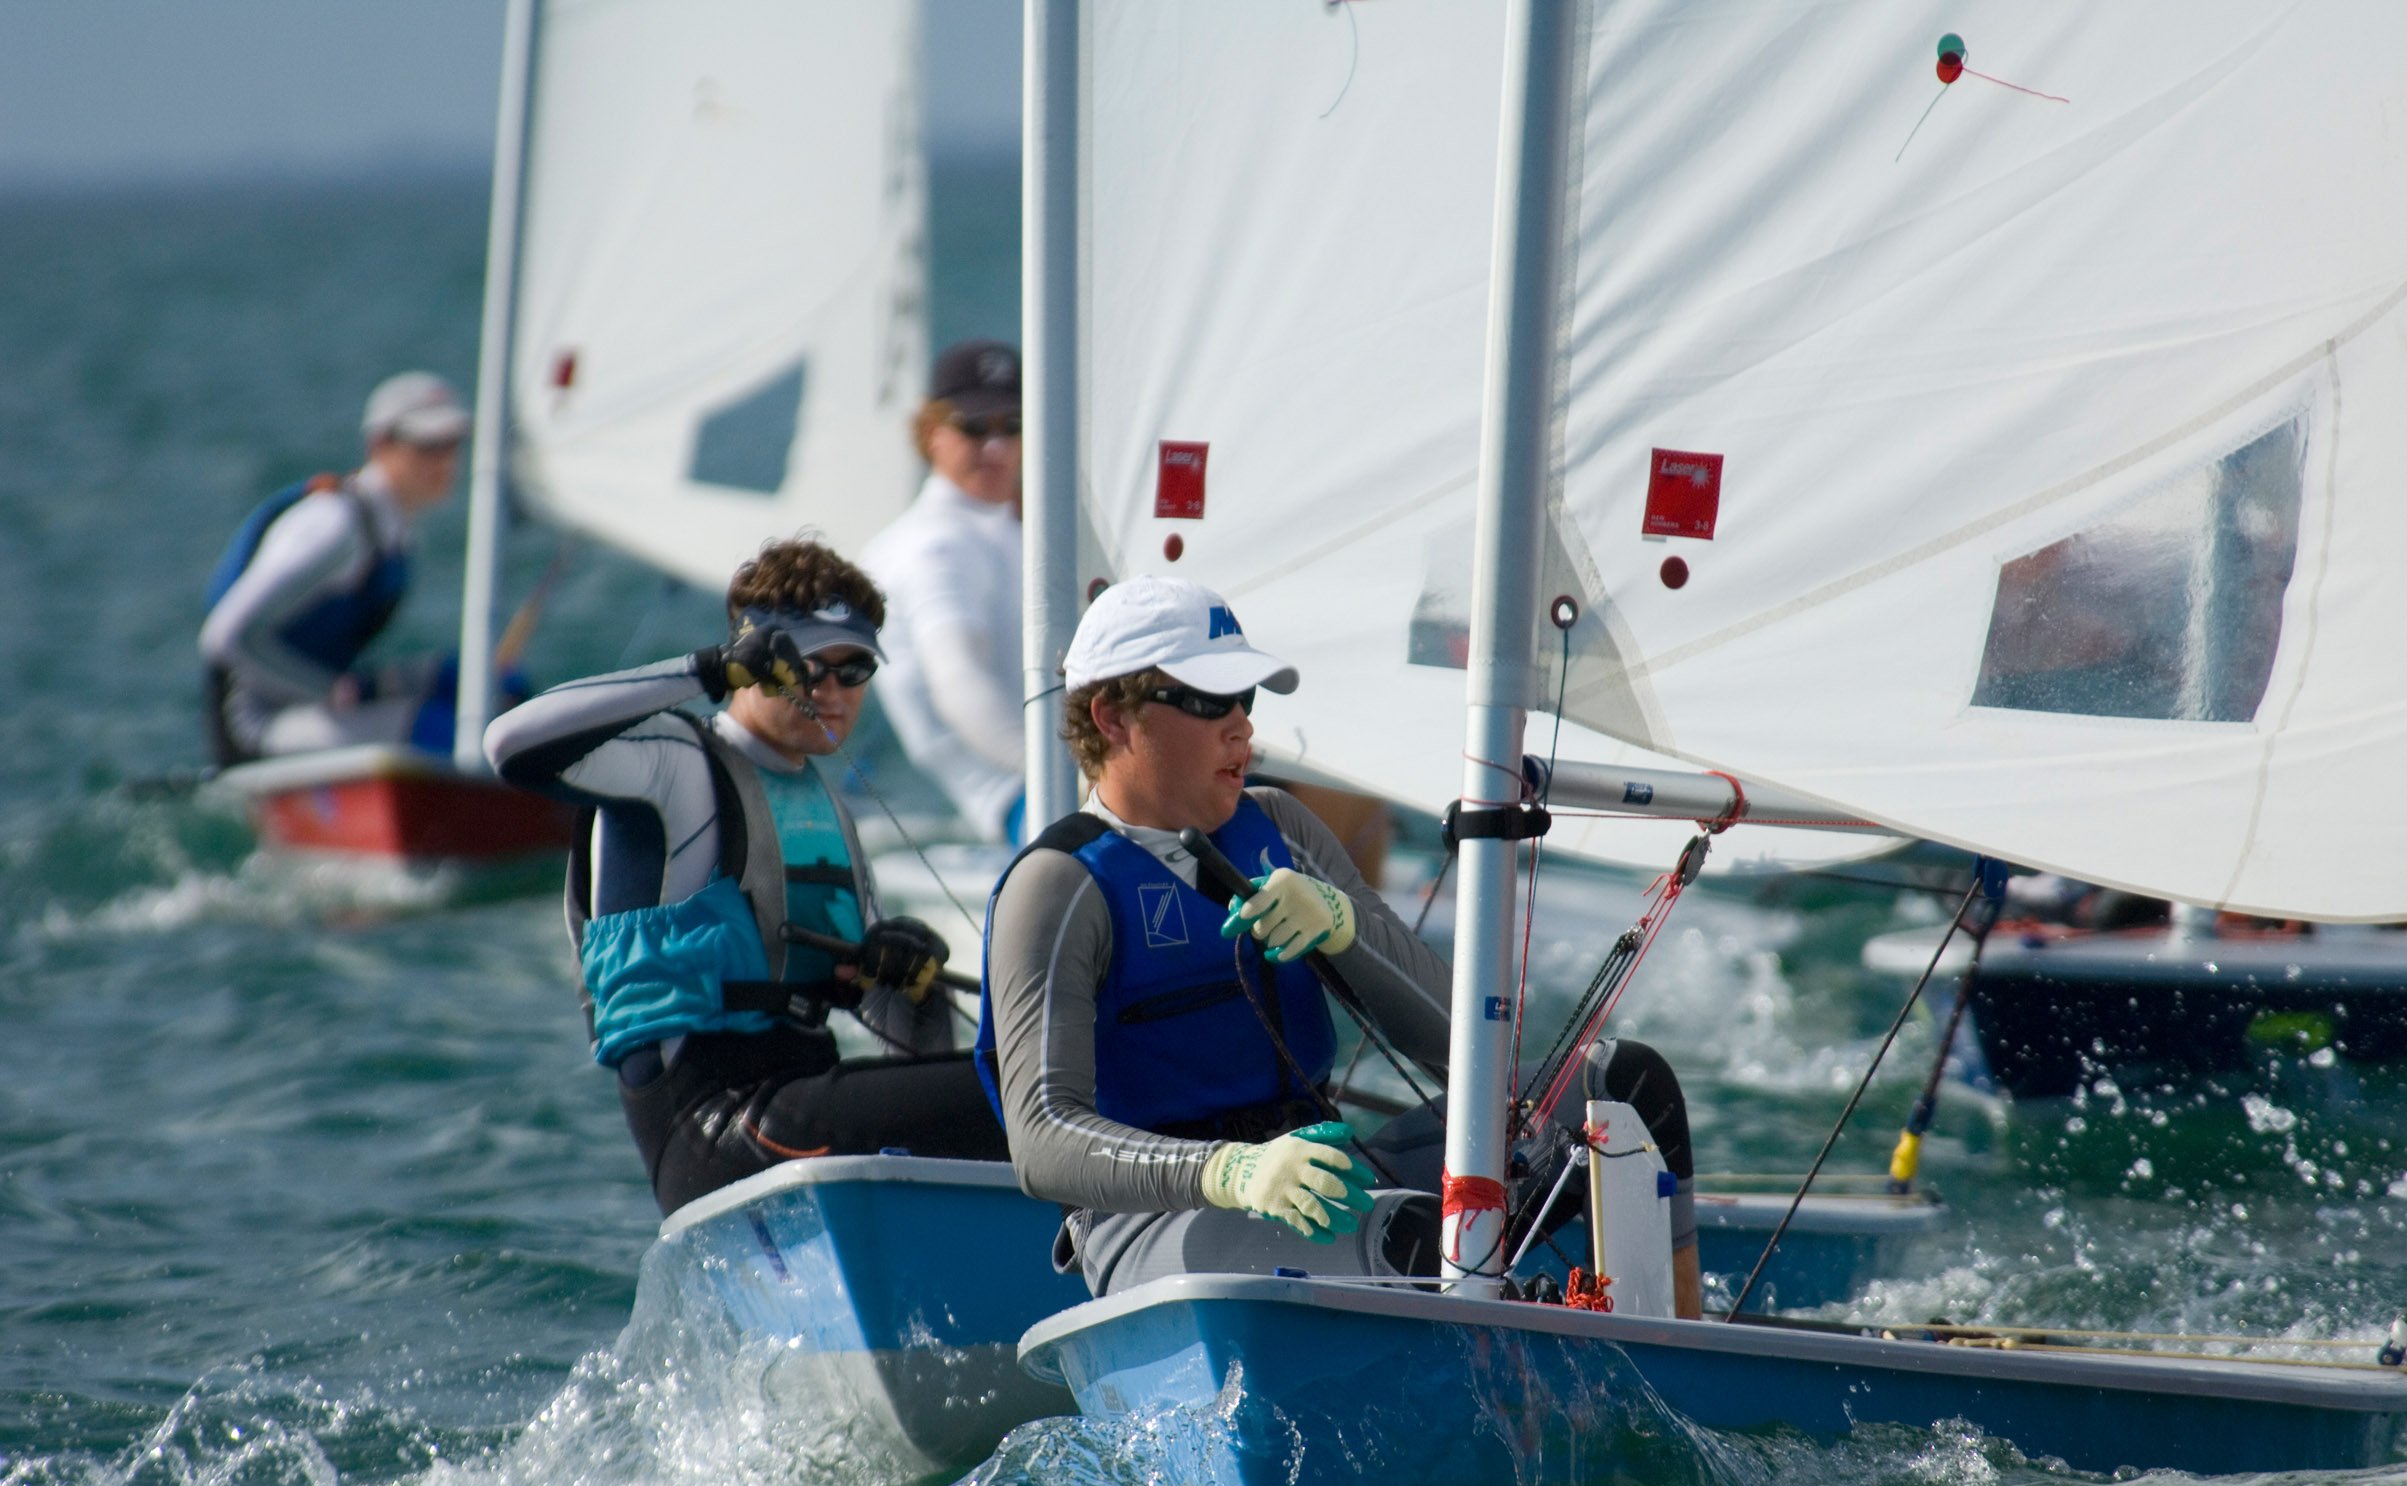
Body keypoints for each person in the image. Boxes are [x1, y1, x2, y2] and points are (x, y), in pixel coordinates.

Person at [975, 576, 1693, 1298]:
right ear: (1112, 718)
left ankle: (1674, 1339)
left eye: (1246, 698)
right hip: (1155, 1224)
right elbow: (1041, 1141)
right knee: (1421, 1239)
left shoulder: (1282, 827)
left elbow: (1471, 1054)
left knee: (1626, 1090)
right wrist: (1230, 1172)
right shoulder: (1057, 887)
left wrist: (1346, 928)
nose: (1241, 726)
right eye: (1209, 701)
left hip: (1325, 1171)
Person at [484, 537, 1008, 1215]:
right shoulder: (673, 765)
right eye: (810, 667)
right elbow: (509, 746)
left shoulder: (827, 809)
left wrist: (909, 985)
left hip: (801, 1105)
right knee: (1033, 1094)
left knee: (1038, 1083)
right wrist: (705, 670)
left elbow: (906, 1052)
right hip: (713, 1126)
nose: (833, 691)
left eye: (854, 670)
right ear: (755, 660)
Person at [200, 371, 474, 766]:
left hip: (315, 704)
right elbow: (224, 637)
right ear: (379, 444)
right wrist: (329, 691)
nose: (445, 460)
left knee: (488, 684)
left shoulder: (397, 528)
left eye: (452, 444)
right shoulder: (335, 527)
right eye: (428, 445)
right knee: (444, 732)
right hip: (257, 723)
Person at [858, 339, 1027, 842]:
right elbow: (958, 681)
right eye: (974, 427)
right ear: (932, 432)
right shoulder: (933, 546)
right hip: (1023, 799)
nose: (996, 447)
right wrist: (1077, 780)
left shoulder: (1001, 527)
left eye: (1012, 426)